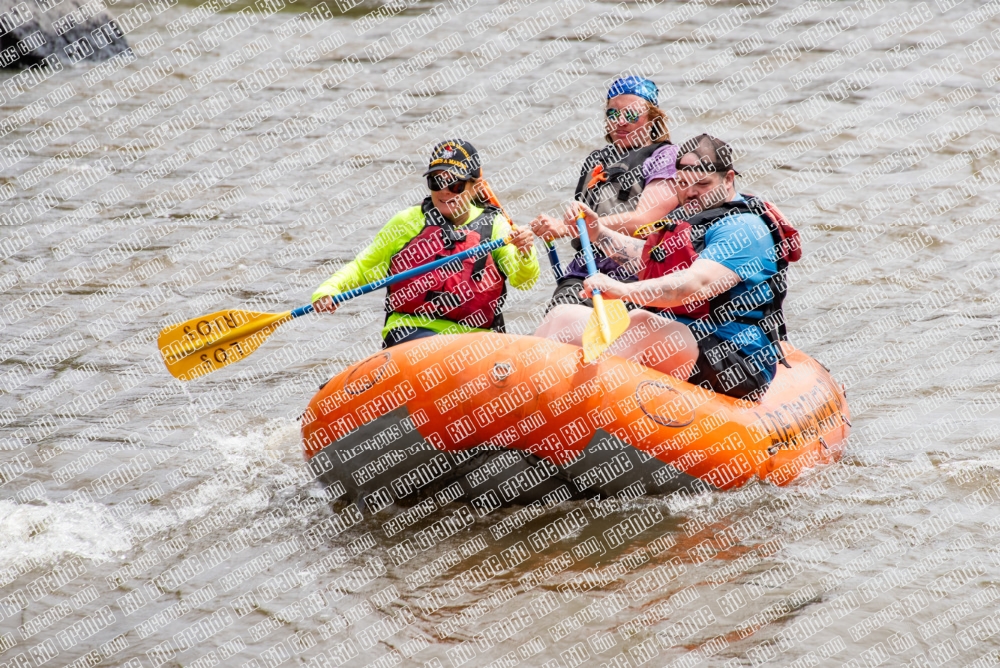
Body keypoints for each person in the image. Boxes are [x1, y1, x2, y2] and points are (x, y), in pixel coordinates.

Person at [535, 134, 800, 401]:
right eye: (683, 184)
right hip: (684, 335)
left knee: (642, 324)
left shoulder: (743, 229)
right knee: (562, 316)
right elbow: (650, 260)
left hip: (737, 358)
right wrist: (597, 232)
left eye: (703, 183)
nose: (691, 192)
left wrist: (621, 290)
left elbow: (696, 285)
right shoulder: (692, 219)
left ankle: (586, 410)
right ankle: (532, 402)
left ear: (728, 179)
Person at [312, 139, 539, 347]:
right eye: (436, 181)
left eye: (455, 185)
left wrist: (525, 251)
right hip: (411, 333)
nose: (444, 191)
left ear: (475, 187)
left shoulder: (496, 227)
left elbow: (524, 281)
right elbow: (362, 267)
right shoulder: (406, 222)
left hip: (476, 340)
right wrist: (329, 290)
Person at [530, 75, 681, 312]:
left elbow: (646, 219)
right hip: (585, 272)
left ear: (652, 119)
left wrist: (566, 227)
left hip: (637, 275)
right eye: (612, 114)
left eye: (631, 115)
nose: (620, 122)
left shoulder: (665, 158)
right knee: (560, 316)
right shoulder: (598, 161)